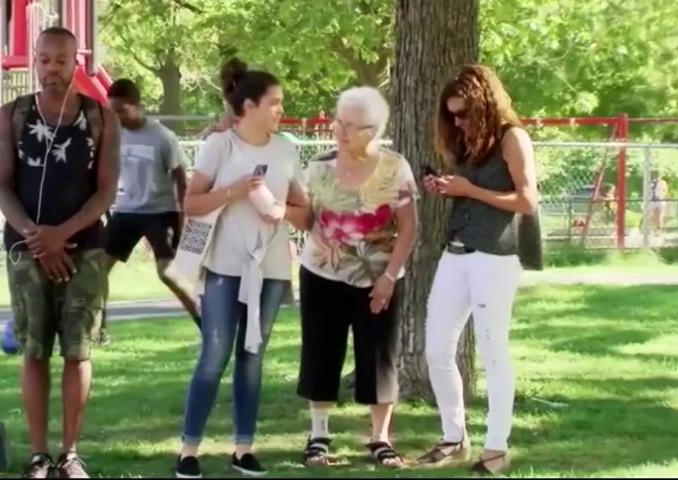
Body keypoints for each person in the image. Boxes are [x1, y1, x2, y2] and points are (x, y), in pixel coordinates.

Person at [0, 27, 120, 479]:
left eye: (61, 61)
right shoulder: (12, 115)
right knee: (34, 350)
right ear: (35, 62)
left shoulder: (101, 117)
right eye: (44, 60)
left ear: (74, 63)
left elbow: (106, 192)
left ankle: (70, 453)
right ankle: (39, 455)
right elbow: (1, 185)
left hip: (85, 250)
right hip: (26, 250)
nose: (51, 69)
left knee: (78, 352)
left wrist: (61, 234)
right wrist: (37, 237)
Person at [174, 58, 306, 479]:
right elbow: (192, 204)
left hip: (271, 269)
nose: (280, 110)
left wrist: (281, 210)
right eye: (274, 102)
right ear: (249, 106)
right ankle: (189, 450)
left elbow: (306, 214)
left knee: (252, 355)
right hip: (224, 266)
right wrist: (232, 192)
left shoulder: (286, 149)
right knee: (214, 353)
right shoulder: (220, 145)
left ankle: (243, 448)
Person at [418, 64, 538, 475]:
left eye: (463, 113)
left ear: (484, 104)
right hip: (456, 251)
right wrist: (448, 187)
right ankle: (453, 436)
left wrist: (470, 189)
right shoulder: (467, 143)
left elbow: (527, 201)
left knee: (492, 350)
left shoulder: (512, 138)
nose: (457, 121)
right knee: (436, 348)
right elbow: (468, 192)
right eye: (451, 114)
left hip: (494, 255)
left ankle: (496, 448)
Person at [291, 86, 417, 469]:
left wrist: (389, 277)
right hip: (322, 273)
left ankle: (380, 439)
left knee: (378, 355)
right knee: (320, 351)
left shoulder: (395, 168)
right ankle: (318, 435)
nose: (339, 131)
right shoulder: (319, 167)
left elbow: (409, 228)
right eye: (338, 122)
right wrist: (279, 204)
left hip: (378, 277)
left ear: (372, 131)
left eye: (350, 126)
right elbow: (307, 220)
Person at [104, 78, 201, 328]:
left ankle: (205, 322)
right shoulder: (114, 135)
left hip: (160, 211)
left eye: (121, 111)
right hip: (127, 210)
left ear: (137, 105)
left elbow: (181, 180)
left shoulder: (162, 137)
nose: (116, 117)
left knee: (168, 273)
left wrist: (183, 221)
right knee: (96, 271)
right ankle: (95, 328)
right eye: (112, 111)